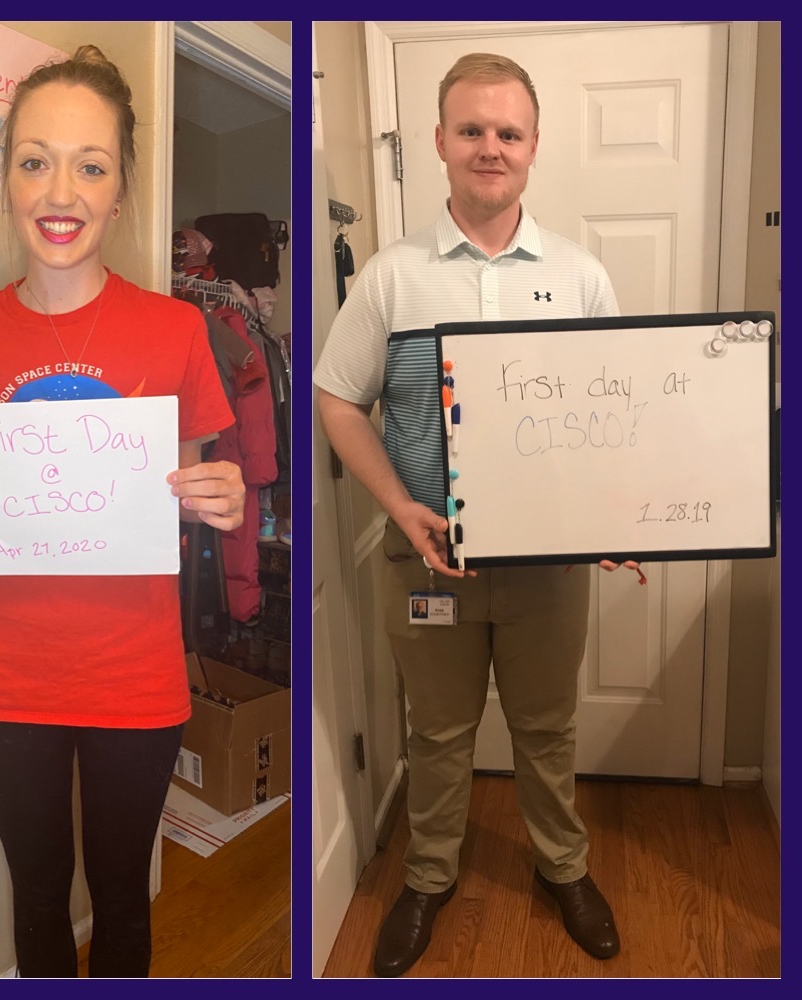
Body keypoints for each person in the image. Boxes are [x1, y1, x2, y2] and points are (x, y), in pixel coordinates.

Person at [0, 45, 245, 978]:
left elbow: (190, 493)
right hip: (9, 677)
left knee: (125, 899)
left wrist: (222, 498)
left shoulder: (176, 331)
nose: (62, 190)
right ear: (6, 179)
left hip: (136, 674)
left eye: (92, 166)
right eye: (35, 160)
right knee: (38, 899)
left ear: (121, 192)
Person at [314, 52, 640, 977]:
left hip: (546, 572)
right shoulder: (391, 276)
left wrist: (618, 518)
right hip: (428, 564)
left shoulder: (580, 278)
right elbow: (339, 400)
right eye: (472, 130)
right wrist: (398, 508)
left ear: (534, 147)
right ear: (440, 143)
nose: (489, 148)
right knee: (437, 731)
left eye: (508, 132)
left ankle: (562, 869)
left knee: (547, 728)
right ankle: (427, 876)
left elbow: (615, 415)